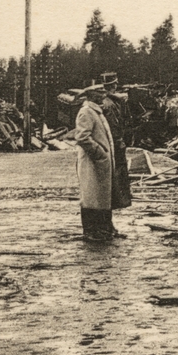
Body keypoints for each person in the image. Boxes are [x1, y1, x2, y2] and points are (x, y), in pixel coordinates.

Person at [73, 85, 116, 241]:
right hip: (92, 163)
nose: (103, 96)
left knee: (100, 197)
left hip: (99, 162)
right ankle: (91, 231)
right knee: (91, 197)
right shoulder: (86, 112)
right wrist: (100, 154)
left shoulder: (96, 111)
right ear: (92, 96)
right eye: (100, 93)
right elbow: (82, 137)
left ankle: (104, 229)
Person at [99, 86, 132, 238]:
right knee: (111, 186)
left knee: (112, 187)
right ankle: (105, 225)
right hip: (113, 149)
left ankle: (107, 225)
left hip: (114, 148)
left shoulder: (109, 103)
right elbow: (114, 129)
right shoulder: (109, 105)